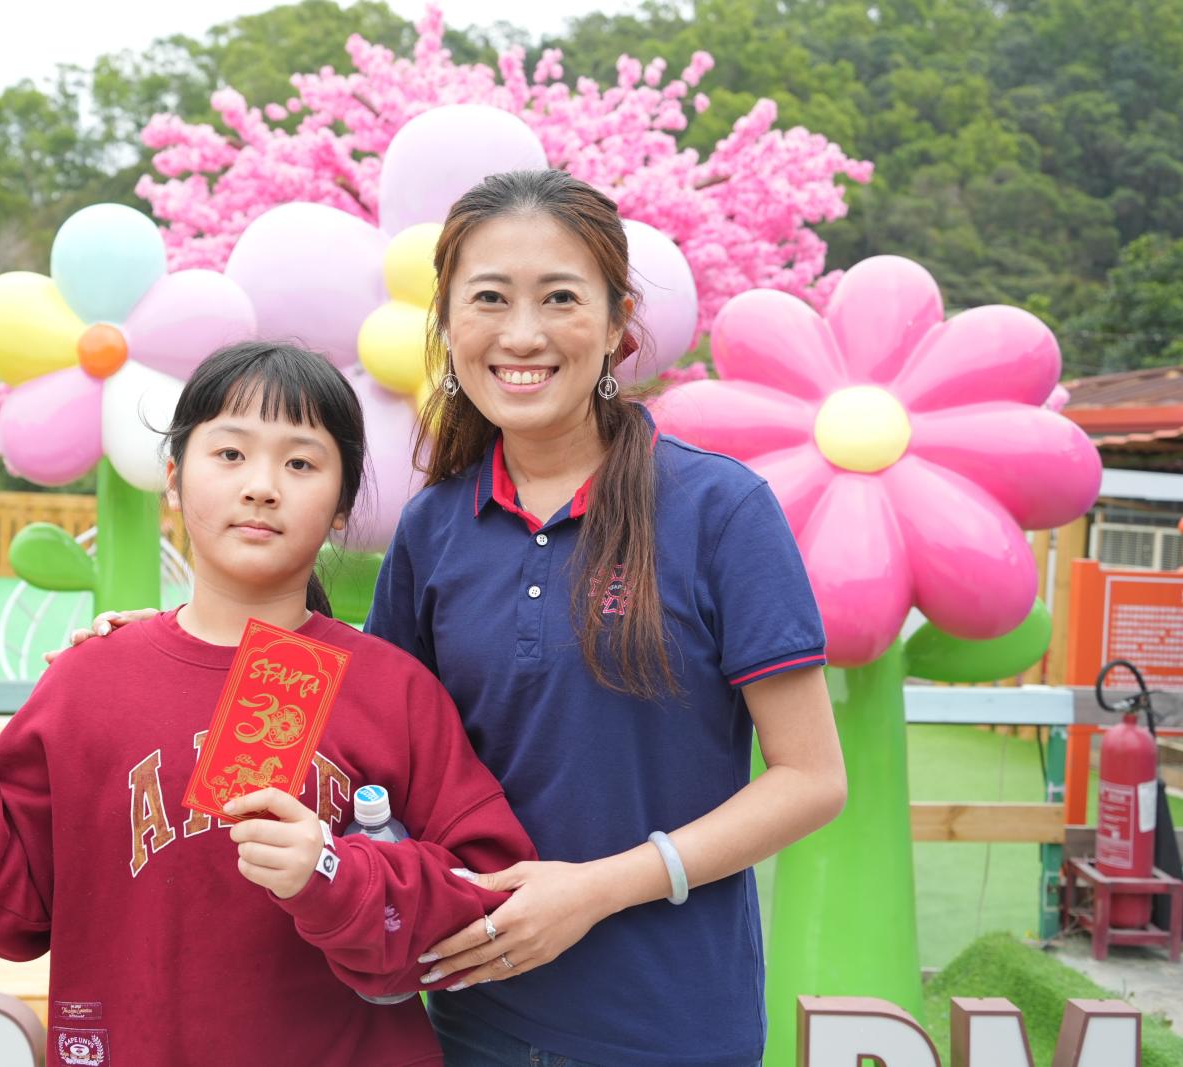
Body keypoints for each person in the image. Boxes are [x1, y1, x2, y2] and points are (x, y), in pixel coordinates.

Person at [69, 170, 846, 1067]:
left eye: (560, 297)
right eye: (489, 298)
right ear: (445, 321)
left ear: (618, 322)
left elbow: (811, 779)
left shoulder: (720, 510)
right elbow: (368, 730)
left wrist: (597, 888)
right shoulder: (434, 527)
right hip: (470, 1023)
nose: (522, 334)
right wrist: (176, 644)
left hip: (671, 1027)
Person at [0, 342, 538, 1067]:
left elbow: (489, 892)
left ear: (344, 504)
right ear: (172, 477)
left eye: (300, 463)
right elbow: (8, 909)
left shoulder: (393, 690)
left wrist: (335, 873)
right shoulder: (90, 680)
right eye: (230, 454)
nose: (262, 487)